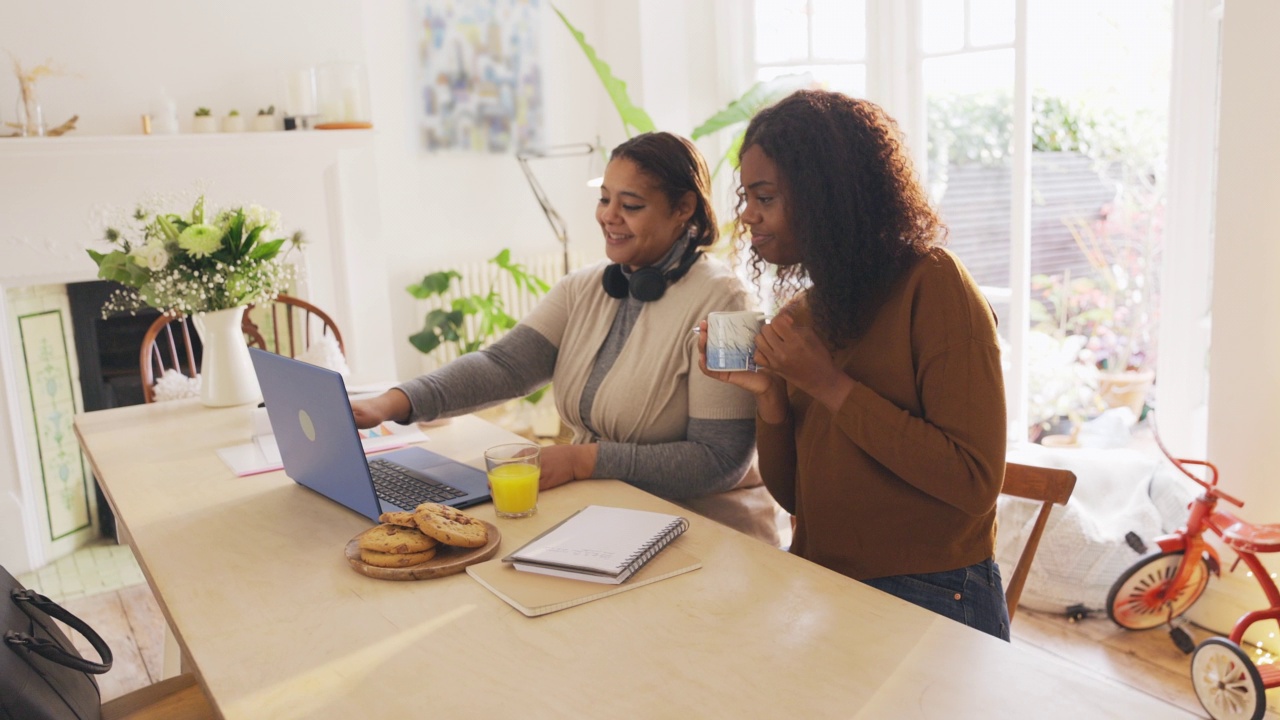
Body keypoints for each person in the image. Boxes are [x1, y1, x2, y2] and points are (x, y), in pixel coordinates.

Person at [353, 131, 782, 545]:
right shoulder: (584, 286)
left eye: (630, 204)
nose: (608, 216)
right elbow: (505, 366)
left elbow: (719, 459)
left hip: (711, 537)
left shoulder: (730, 304)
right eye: (604, 199)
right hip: (614, 517)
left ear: (683, 208)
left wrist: (583, 459)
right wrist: (390, 404)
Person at [698, 90, 1009, 639]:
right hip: (824, 579)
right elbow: (797, 499)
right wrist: (771, 394)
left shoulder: (935, 285)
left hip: (931, 590)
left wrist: (830, 384)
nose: (747, 215)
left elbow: (973, 480)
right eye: (746, 196)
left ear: (825, 195)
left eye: (764, 196)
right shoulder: (808, 313)